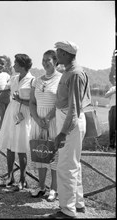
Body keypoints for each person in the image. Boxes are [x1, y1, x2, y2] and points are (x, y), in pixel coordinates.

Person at [48, 41, 91, 218]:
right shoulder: (70, 71)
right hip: (68, 119)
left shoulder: (74, 74)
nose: (56, 55)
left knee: (66, 166)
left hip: (69, 122)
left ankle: (67, 210)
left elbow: (74, 108)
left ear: (65, 54)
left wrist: (62, 133)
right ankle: (78, 204)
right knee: (74, 164)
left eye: (58, 52)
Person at [0, 54, 35, 191]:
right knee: (9, 146)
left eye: (16, 63)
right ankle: (10, 177)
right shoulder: (12, 79)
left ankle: (23, 180)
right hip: (11, 114)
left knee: (21, 149)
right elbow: (0, 90)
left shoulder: (32, 80)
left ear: (23, 65)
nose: (13, 65)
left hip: (24, 116)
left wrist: (20, 100)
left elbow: (33, 103)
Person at [29, 50, 62, 202]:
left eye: (48, 60)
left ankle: (54, 189)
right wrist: (36, 119)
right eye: (43, 60)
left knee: (54, 156)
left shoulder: (61, 79)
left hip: (53, 121)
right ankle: (41, 186)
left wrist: (48, 118)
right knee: (39, 153)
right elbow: (32, 102)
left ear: (55, 61)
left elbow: (61, 102)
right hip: (38, 122)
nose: (45, 62)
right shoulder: (36, 80)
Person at [104, 78, 116, 149]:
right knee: (112, 128)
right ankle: (112, 145)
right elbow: (106, 96)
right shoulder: (113, 88)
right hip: (113, 108)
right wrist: (114, 91)